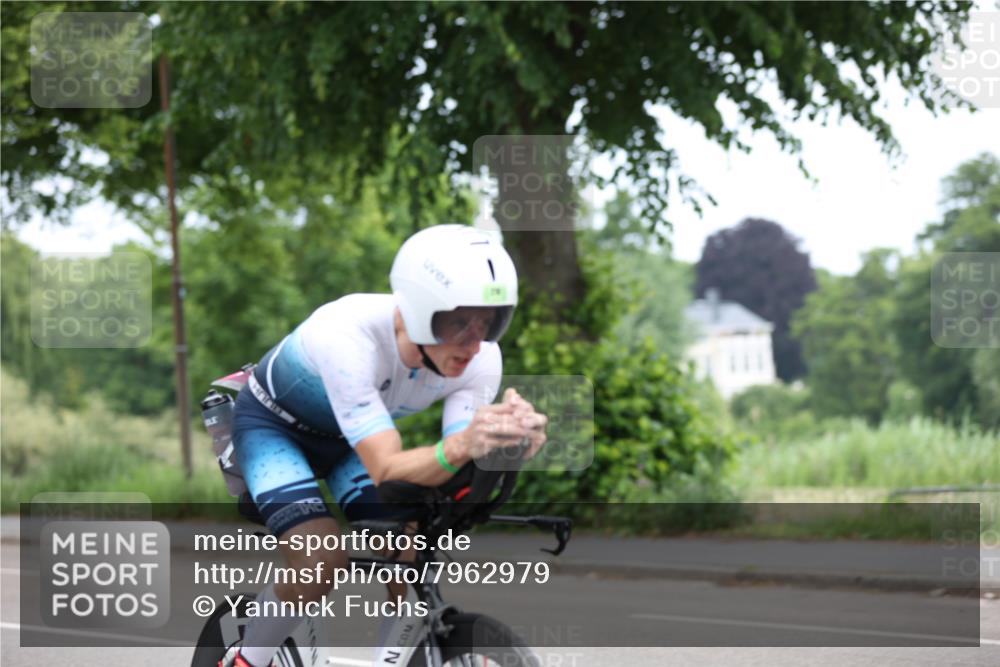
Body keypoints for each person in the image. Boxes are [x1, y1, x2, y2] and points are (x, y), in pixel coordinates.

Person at [219, 224, 549, 667]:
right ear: (416, 312)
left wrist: (507, 441)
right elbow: (388, 467)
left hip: (348, 443)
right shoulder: (348, 336)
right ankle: (244, 662)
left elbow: (456, 455)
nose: (475, 343)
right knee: (320, 559)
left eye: (488, 323)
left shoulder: (481, 358)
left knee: (408, 549)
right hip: (275, 431)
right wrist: (465, 444)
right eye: (459, 322)